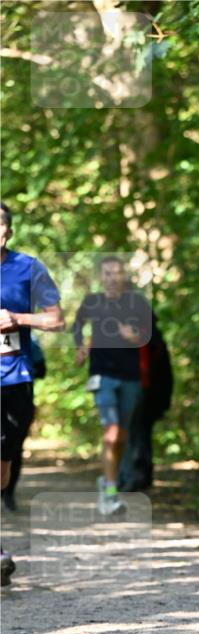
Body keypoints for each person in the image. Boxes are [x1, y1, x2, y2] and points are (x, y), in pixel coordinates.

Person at [0, 202, 64, 585]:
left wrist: (17, 319)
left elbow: (56, 319)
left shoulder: (28, 268)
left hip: (11, 378)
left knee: (3, 463)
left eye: (2, 223)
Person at [73, 256, 151, 516]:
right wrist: (80, 346)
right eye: (107, 273)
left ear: (123, 276)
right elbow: (77, 324)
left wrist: (136, 336)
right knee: (112, 432)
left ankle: (107, 481)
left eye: (117, 273)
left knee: (122, 437)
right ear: (101, 276)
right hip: (102, 375)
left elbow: (148, 334)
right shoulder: (92, 301)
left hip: (130, 376)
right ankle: (109, 493)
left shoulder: (137, 302)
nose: (112, 277)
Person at [117, 310, 172, 491]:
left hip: (140, 392)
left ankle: (132, 478)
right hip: (148, 394)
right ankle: (140, 477)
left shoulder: (141, 338)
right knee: (140, 433)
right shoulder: (154, 338)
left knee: (133, 433)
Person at [2, 333, 47, 512]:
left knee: (12, 450)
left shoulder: (29, 339)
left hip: (19, 399)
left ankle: (9, 494)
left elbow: (42, 370)